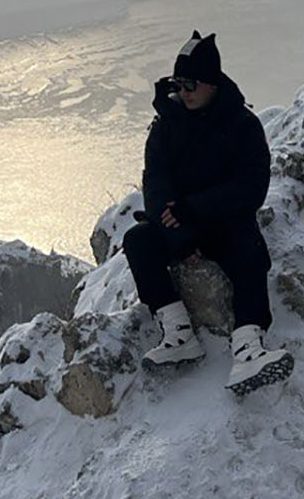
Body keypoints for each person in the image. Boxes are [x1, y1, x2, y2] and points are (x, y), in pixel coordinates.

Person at [123, 31, 292, 392]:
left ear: (212, 82)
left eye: (190, 83)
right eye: (178, 83)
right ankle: (178, 333)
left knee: (250, 252)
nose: (183, 92)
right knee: (138, 241)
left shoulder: (243, 126)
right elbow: (154, 182)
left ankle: (248, 347)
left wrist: (194, 209)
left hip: (222, 220)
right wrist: (178, 235)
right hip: (177, 224)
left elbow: (251, 187)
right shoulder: (166, 125)